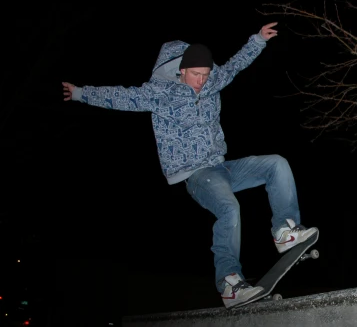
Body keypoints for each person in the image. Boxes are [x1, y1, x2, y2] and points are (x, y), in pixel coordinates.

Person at [62, 22, 317, 309]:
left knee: (276, 164)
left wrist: (257, 40)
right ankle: (230, 283)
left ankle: (284, 231)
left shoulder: (212, 81)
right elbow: (123, 96)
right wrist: (81, 93)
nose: (201, 81)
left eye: (206, 75)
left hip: (222, 167)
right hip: (196, 175)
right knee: (229, 208)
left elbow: (234, 66)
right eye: (196, 74)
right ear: (181, 70)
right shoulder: (161, 94)